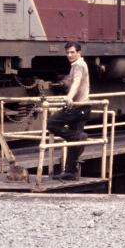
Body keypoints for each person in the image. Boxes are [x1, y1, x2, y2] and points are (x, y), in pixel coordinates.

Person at [46, 42, 90, 180]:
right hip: (84, 107)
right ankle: (70, 172)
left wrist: (69, 97)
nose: (69, 55)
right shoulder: (81, 64)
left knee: (51, 123)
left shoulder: (78, 65)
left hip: (77, 107)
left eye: (72, 52)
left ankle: (77, 137)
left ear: (79, 52)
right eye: (67, 53)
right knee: (73, 142)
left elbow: (76, 82)